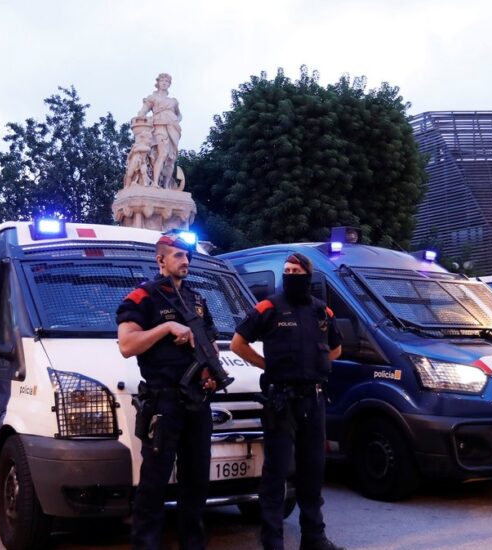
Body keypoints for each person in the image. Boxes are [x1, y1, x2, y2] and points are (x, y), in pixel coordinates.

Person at [231, 253, 345, 550]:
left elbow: (336, 349)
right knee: (276, 472)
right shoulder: (269, 307)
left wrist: (315, 366)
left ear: (308, 274)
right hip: (281, 401)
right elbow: (237, 344)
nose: (291, 274)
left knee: (313, 469)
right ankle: (272, 541)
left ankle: (314, 538)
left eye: (296, 270)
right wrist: (267, 365)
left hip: (313, 399)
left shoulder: (323, 312)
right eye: (287, 271)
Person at [116, 232, 218, 550]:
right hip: (163, 402)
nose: (185, 261)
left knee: (197, 482)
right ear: (160, 259)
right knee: (154, 484)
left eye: (188, 256)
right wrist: (165, 328)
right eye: (178, 255)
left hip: (196, 403)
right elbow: (127, 345)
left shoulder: (197, 300)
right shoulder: (141, 298)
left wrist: (211, 373)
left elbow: (209, 343)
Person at [137, 73, 182, 189]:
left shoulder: (173, 101)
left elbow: (179, 114)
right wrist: (140, 117)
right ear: (158, 83)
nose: (164, 83)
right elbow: (143, 111)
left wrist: (176, 120)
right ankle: (156, 182)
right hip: (160, 126)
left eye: (167, 82)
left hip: (173, 129)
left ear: (169, 84)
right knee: (162, 154)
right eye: (162, 81)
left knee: (171, 158)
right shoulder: (153, 97)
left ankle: (166, 185)